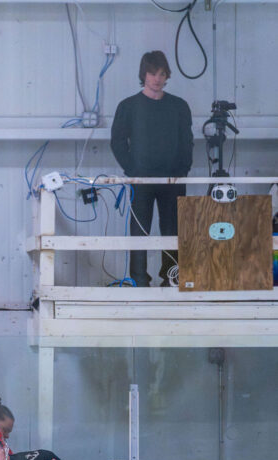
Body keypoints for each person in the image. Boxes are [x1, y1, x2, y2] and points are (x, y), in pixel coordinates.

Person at [110, 50, 193, 287]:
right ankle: (138, 280)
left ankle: (171, 278)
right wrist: (132, 170)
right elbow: (117, 141)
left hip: (173, 180)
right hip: (141, 181)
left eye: (161, 73)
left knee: (173, 231)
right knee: (139, 231)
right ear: (143, 74)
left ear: (167, 75)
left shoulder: (178, 106)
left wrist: (182, 170)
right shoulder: (128, 106)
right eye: (152, 73)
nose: (157, 78)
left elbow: (187, 141)